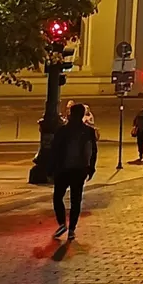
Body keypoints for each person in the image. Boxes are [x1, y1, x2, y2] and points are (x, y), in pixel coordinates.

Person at [48, 103, 98, 240]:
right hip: (80, 170)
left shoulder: (62, 130)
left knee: (58, 197)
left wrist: (51, 168)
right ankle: (71, 230)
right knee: (76, 200)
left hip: (63, 169)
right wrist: (91, 168)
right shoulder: (88, 131)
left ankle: (62, 223)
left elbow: (54, 150)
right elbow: (93, 151)